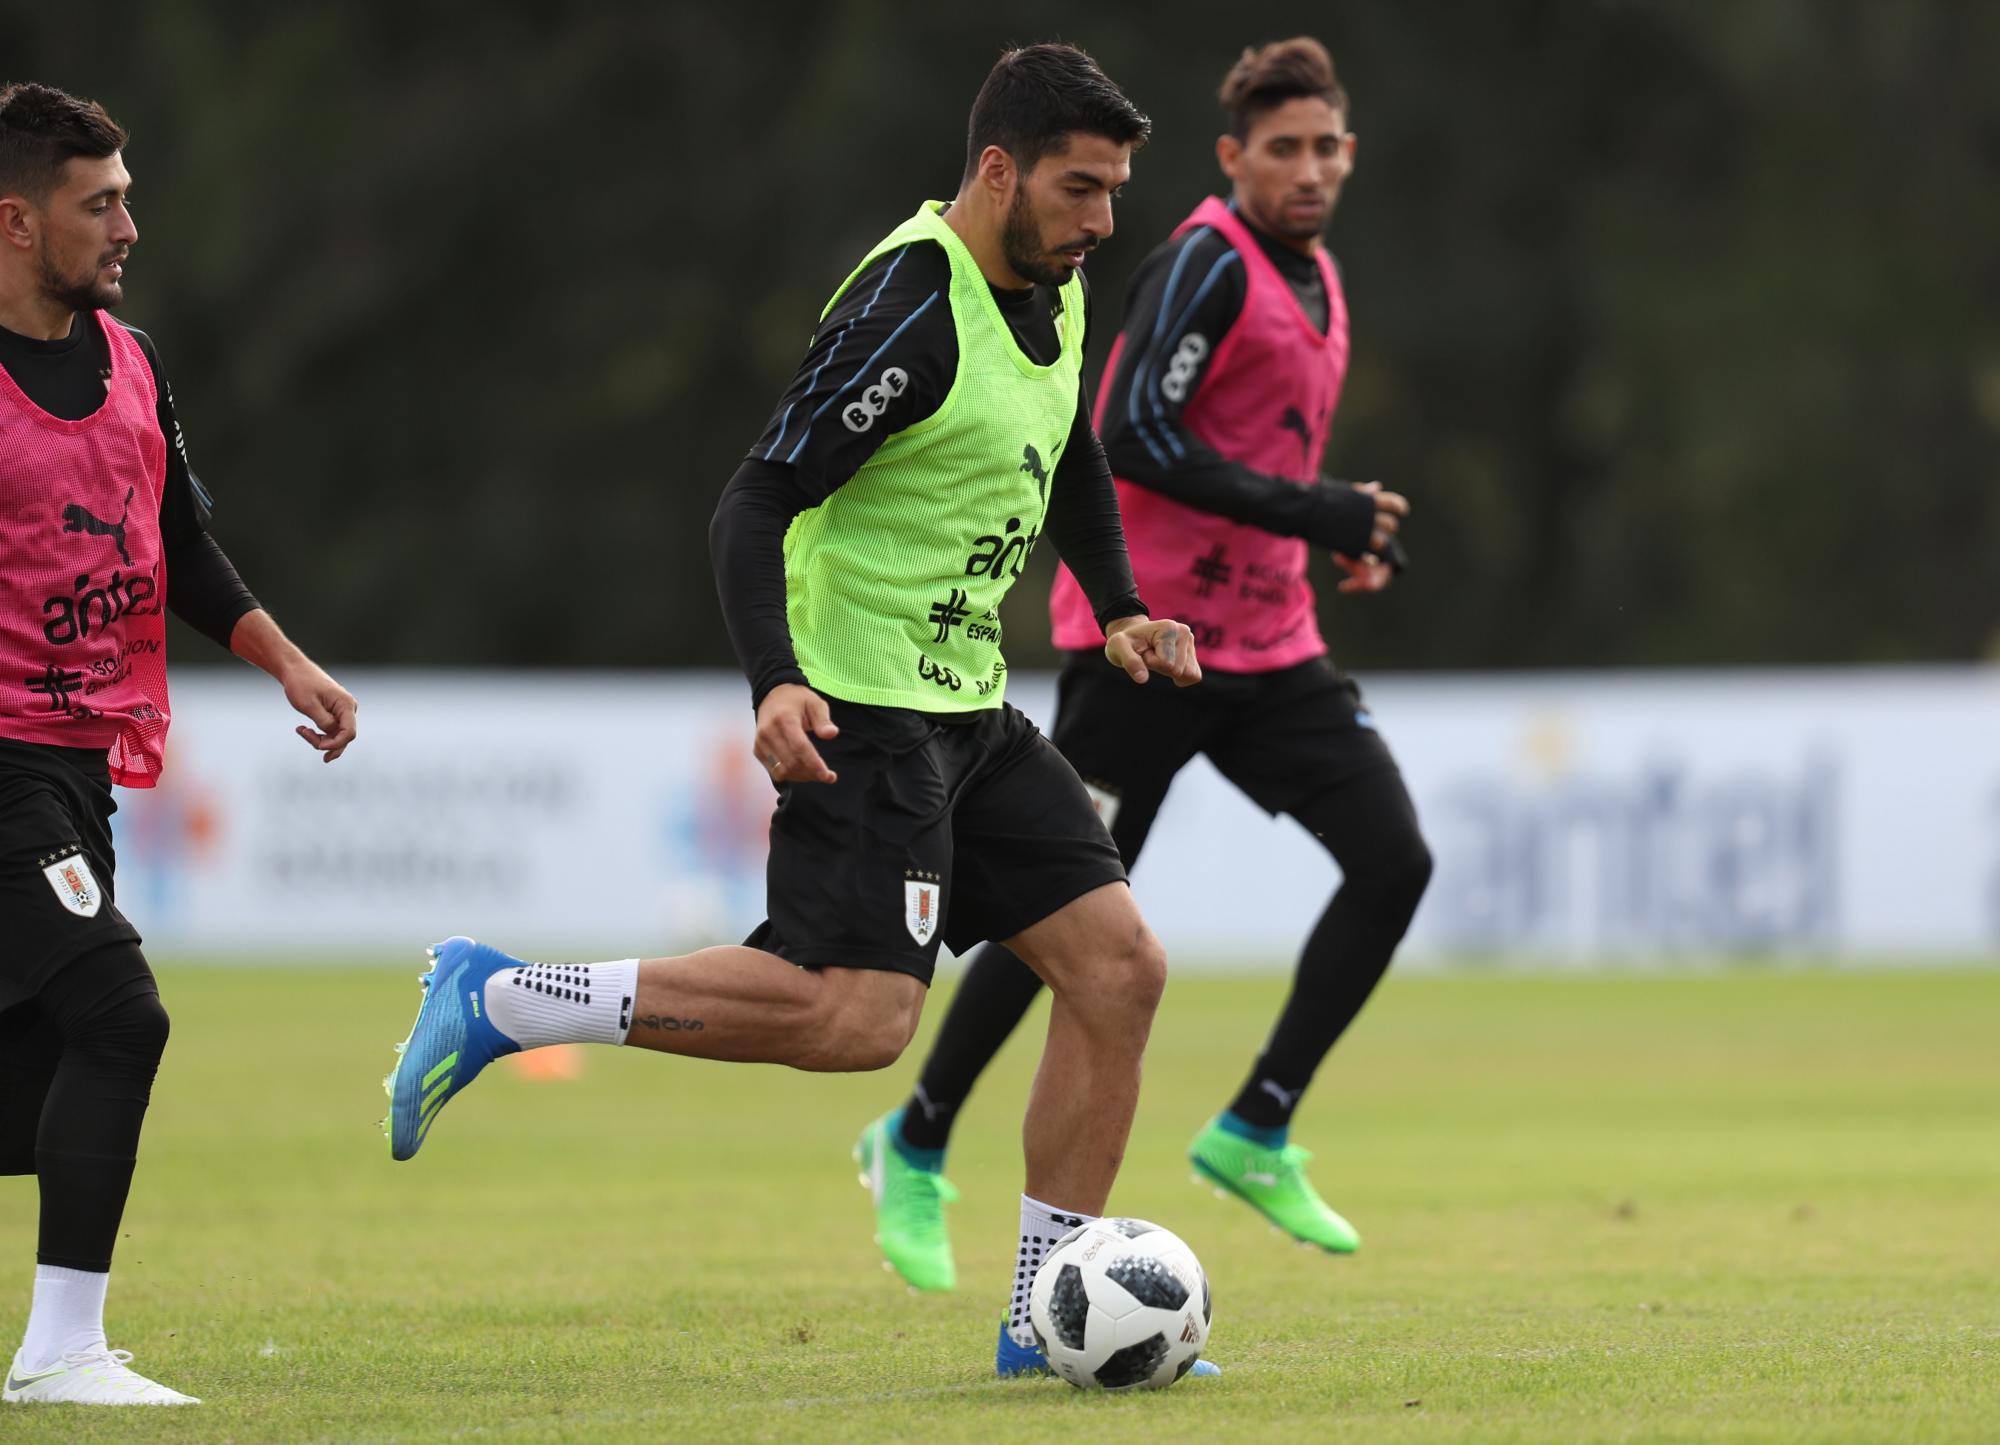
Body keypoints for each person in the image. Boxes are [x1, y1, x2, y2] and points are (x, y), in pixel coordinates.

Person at [384, 43, 1216, 1381]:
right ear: (997, 171)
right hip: (864, 706)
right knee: (859, 1024)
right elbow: (752, 501)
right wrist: (776, 680)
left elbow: (1066, 446)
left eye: (1115, 190)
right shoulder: (909, 307)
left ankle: (1037, 1317)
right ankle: (507, 999)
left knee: (1120, 969)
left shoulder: (1052, 289)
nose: (1102, 219)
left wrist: (1116, 605)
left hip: (970, 708)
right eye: (1078, 188)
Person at [855, 36, 1433, 1292]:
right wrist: (1317, 508)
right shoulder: (1202, 264)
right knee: (1060, 919)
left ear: (1348, 152)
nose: (1308, 168)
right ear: (1233, 159)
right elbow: (1131, 435)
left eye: (1325, 145)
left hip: (1271, 646)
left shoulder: (1318, 276)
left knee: (1395, 859)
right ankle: (911, 1135)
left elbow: (1257, 441)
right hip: (1147, 646)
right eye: (1280, 148)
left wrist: (1332, 538)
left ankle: (1255, 1121)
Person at [0, 83, 359, 1407]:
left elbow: (181, 545)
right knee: (118, 1013)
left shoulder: (132, 362)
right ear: (19, 223)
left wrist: (289, 661)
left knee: (37, 1067)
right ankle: (60, 1354)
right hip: (1, 765)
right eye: (100, 204)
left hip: (82, 760)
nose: (129, 224)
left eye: (127, 196)